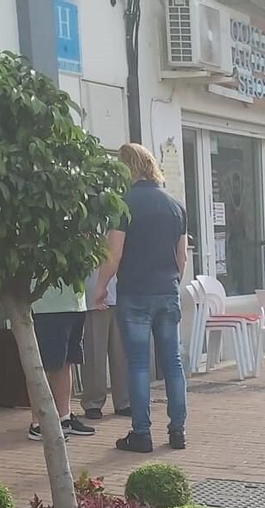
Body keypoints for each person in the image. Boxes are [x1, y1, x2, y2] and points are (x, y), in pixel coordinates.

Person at [93, 142, 189, 454]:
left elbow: (114, 253)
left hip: (135, 293)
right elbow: (182, 257)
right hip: (167, 292)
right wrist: (173, 282)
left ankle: (142, 434)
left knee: (138, 365)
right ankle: (178, 432)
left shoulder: (123, 205)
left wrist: (101, 286)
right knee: (172, 363)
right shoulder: (176, 206)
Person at [27, 284, 98, 441]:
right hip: (47, 306)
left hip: (76, 304)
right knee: (44, 365)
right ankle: (38, 423)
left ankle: (64, 417)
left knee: (66, 361)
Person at [79, 269, 128, 421]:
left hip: (122, 295)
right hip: (93, 296)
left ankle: (125, 401)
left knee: (122, 354)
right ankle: (93, 402)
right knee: (94, 354)